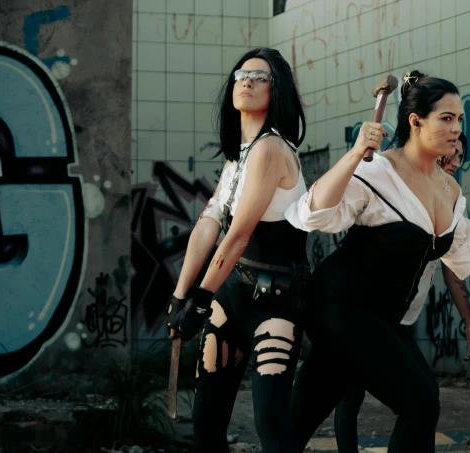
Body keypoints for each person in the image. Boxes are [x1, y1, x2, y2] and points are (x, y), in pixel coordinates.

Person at [286, 71, 470, 452]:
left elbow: (463, 251)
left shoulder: (448, 187)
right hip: (340, 305)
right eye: (446, 118)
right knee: (420, 400)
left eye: (459, 119)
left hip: (382, 317)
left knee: (305, 412)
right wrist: (355, 154)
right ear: (415, 121)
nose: (457, 129)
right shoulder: (377, 172)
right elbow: (312, 215)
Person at [163, 48, 309, 453]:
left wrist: (199, 298)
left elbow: (239, 234)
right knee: (206, 421)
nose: (247, 81)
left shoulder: (271, 149)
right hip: (232, 296)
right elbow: (208, 225)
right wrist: (180, 295)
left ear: (276, 90)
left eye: (260, 77)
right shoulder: (237, 157)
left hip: (275, 303)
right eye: (242, 74)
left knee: (270, 424)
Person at [330, 134, 470, 453]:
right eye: (450, 155)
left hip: (399, 318)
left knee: (424, 399)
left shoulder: (447, 196)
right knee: (350, 393)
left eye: (459, 157)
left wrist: (468, 321)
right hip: (362, 313)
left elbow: (453, 266)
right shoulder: (397, 185)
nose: (456, 163)